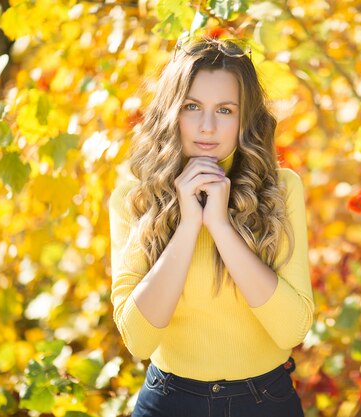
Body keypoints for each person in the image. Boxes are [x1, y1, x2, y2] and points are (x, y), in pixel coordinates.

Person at [108, 34, 314, 417]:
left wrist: (220, 226)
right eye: (192, 106)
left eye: (224, 110)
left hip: (264, 401)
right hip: (168, 401)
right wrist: (188, 226)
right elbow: (137, 339)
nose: (206, 127)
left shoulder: (280, 190)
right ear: (172, 112)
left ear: (244, 118)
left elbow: (292, 330)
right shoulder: (133, 199)